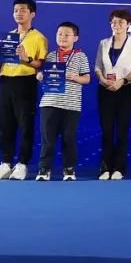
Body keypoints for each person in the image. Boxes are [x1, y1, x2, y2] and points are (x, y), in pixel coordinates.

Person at [0, 0, 48, 181]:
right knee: (5, 124)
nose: (18, 13)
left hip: (25, 82)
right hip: (6, 81)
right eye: (16, 10)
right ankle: (5, 163)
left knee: (25, 124)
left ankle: (22, 164)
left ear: (32, 14)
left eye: (23, 10)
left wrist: (25, 58)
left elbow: (41, 64)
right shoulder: (8, 37)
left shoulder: (39, 37)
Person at [35, 22, 91, 181]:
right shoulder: (50, 55)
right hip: (49, 102)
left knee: (69, 138)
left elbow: (87, 79)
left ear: (75, 38)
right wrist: (40, 76)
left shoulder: (81, 56)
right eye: (60, 34)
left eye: (67, 34)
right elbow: (42, 75)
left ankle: (69, 169)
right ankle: (44, 169)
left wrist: (75, 77)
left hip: (71, 104)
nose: (63, 37)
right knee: (47, 139)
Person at [94, 9, 131, 180]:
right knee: (107, 130)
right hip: (105, 89)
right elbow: (98, 66)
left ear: (128, 25)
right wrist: (103, 80)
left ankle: (119, 168)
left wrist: (122, 81)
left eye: (121, 22)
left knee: (122, 130)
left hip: (125, 90)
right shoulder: (103, 43)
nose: (117, 25)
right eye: (114, 22)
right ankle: (105, 167)